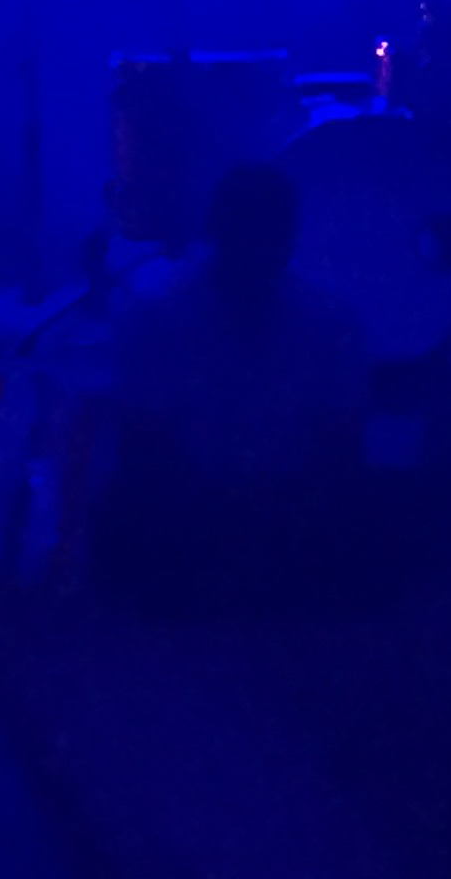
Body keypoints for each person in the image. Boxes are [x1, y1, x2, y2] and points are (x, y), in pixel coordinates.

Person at [96, 162, 371, 614]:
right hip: (198, 513)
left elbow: (342, 450)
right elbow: (143, 448)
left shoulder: (153, 313)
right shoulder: (157, 315)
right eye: (247, 241)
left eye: (266, 241)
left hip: (276, 512)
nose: (256, 257)